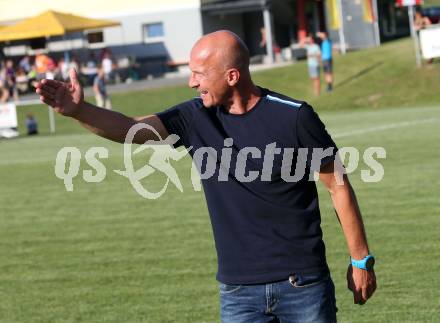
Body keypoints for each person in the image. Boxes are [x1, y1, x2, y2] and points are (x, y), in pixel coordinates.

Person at [36, 30, 376, 322]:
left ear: (231, 76)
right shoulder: (194, 117)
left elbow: (338, 185)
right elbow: (131, 130)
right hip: (238, 292)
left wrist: (360, 258)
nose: (191, 82)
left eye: (199, 73)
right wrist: (79, 110)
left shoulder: (295, 117)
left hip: (302, 284)